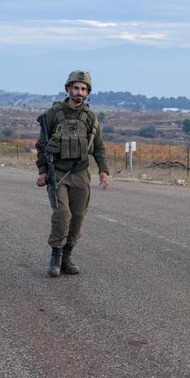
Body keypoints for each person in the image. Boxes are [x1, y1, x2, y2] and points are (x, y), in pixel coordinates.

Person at [36, 70, 110, 277]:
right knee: (62, 214)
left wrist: (104, 170)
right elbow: (41, 145)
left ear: (87, 92)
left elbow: (99, 147)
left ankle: (67, 256)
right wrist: (42, 172)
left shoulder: (90, 117)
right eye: (76, 88)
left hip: (80, 173)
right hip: (57, 172)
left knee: (77, 216)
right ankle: (55, 257)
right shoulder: (53, 114)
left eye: (83, 89)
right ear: (68, 89)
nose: (79, 92)